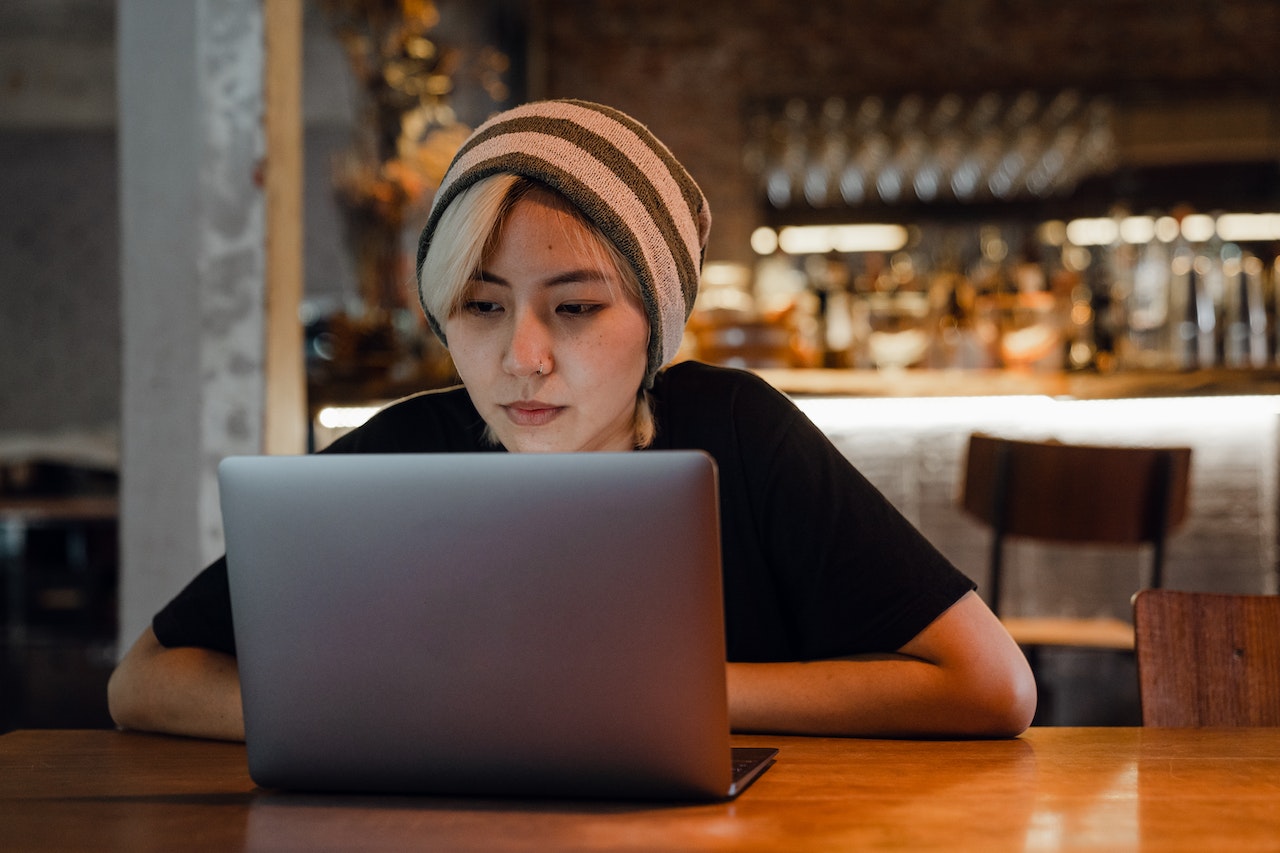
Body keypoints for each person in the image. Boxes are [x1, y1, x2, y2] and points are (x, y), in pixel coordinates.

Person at [108, 99, 1035, 742]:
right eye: (480, 306)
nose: (522, 356)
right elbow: (145, 680)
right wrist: (408, 709)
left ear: (657, 324)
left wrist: (628, 696)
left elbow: (992, 686)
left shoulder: (742, 437)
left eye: (577, 308)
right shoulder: (394, 454)